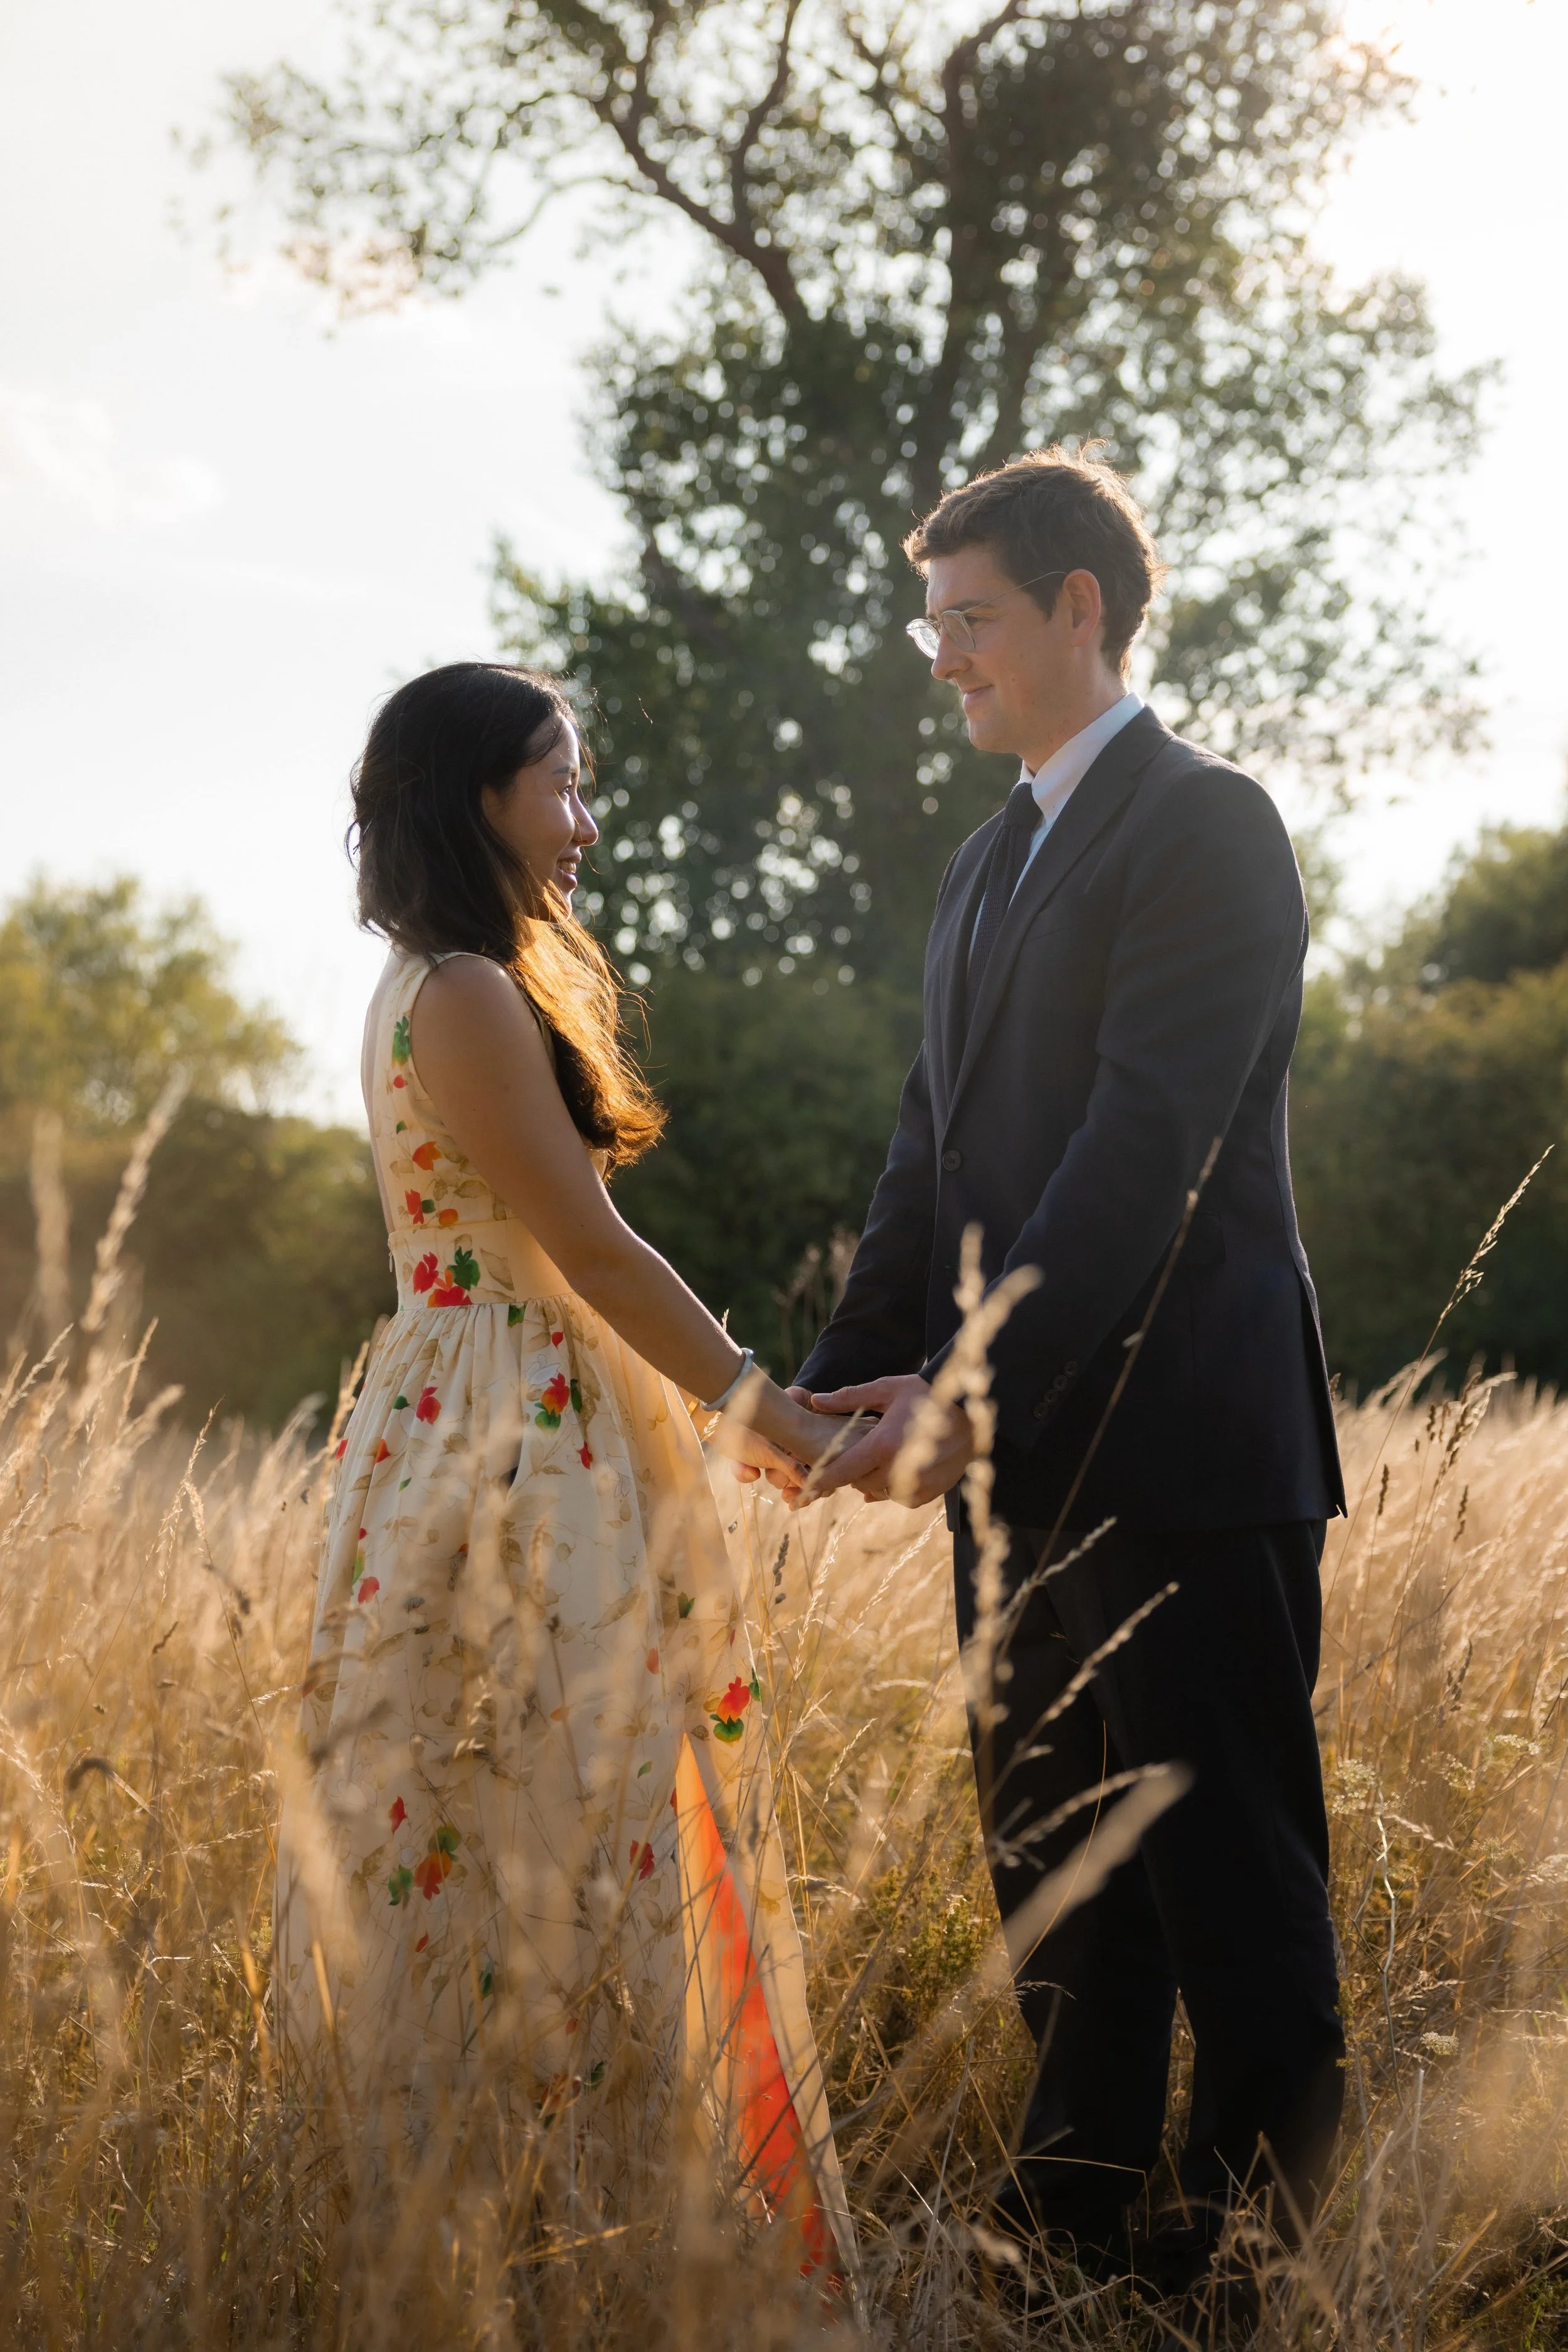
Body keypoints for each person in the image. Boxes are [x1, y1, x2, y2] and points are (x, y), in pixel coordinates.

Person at [792, 448, 1347, 2302]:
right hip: (1016, 1464)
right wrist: (840, 1380)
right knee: (1055, 1879)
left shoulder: (1206, 823)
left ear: (1076, 610)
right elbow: (928, 1146)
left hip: (1191, 1442)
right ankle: (1076, 2240)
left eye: (968, 619)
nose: (938, 655)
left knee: (1232, 1888)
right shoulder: (981, 857)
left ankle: (1250, 2277)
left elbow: (1145, 1144)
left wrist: (964, 1383)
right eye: (925, 619)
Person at [273, 662, 852, 2274]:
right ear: (480, 798)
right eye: (563, 784)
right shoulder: (457, 990)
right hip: (506, 1434)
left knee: (502, 1804)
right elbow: (587, 1252)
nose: (585, 824)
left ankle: (539, 2206)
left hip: (470, 1410)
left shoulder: (430, 982)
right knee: (548, 1805)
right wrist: (770, 1416)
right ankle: (566, 2218)